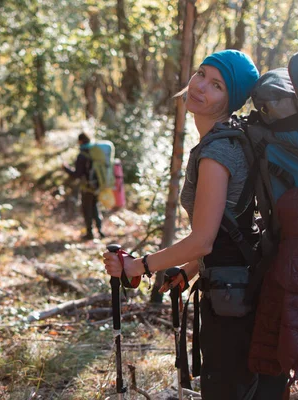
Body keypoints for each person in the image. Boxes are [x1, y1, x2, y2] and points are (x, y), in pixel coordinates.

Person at [103, 50, 287, 399]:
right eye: (201, 73)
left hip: (234, 302)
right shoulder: (230, 140)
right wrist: (189, 271)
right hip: (247, 287)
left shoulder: (218, 153)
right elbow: (230, 229)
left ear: (229, 99)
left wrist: (136, 266)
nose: (200, 86)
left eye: (216, 85)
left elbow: (203, 240)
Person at [63, 132, 105, 241]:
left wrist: (66, 168)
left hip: (87, 187)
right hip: (97, 185)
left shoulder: (82, 155)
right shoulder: (94, 153)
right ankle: (100, 230)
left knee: (87, 210)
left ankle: (89, 233)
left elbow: (77, 174)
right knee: (95, 207)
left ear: (80, 141)